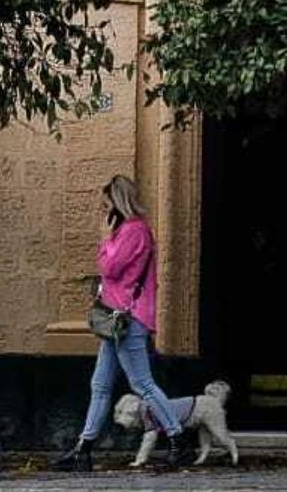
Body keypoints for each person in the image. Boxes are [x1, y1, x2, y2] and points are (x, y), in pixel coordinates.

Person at [51, 175, 190, 472]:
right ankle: (83, 449)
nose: (103, 212)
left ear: (118, 203)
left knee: (142, 383)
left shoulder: (134, 231)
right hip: (115, 321)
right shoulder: (128, 231)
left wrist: (104, 239)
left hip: (129, 319)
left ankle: (177, 439)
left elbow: (110, 267)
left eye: (106, 206)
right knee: (100, 384)